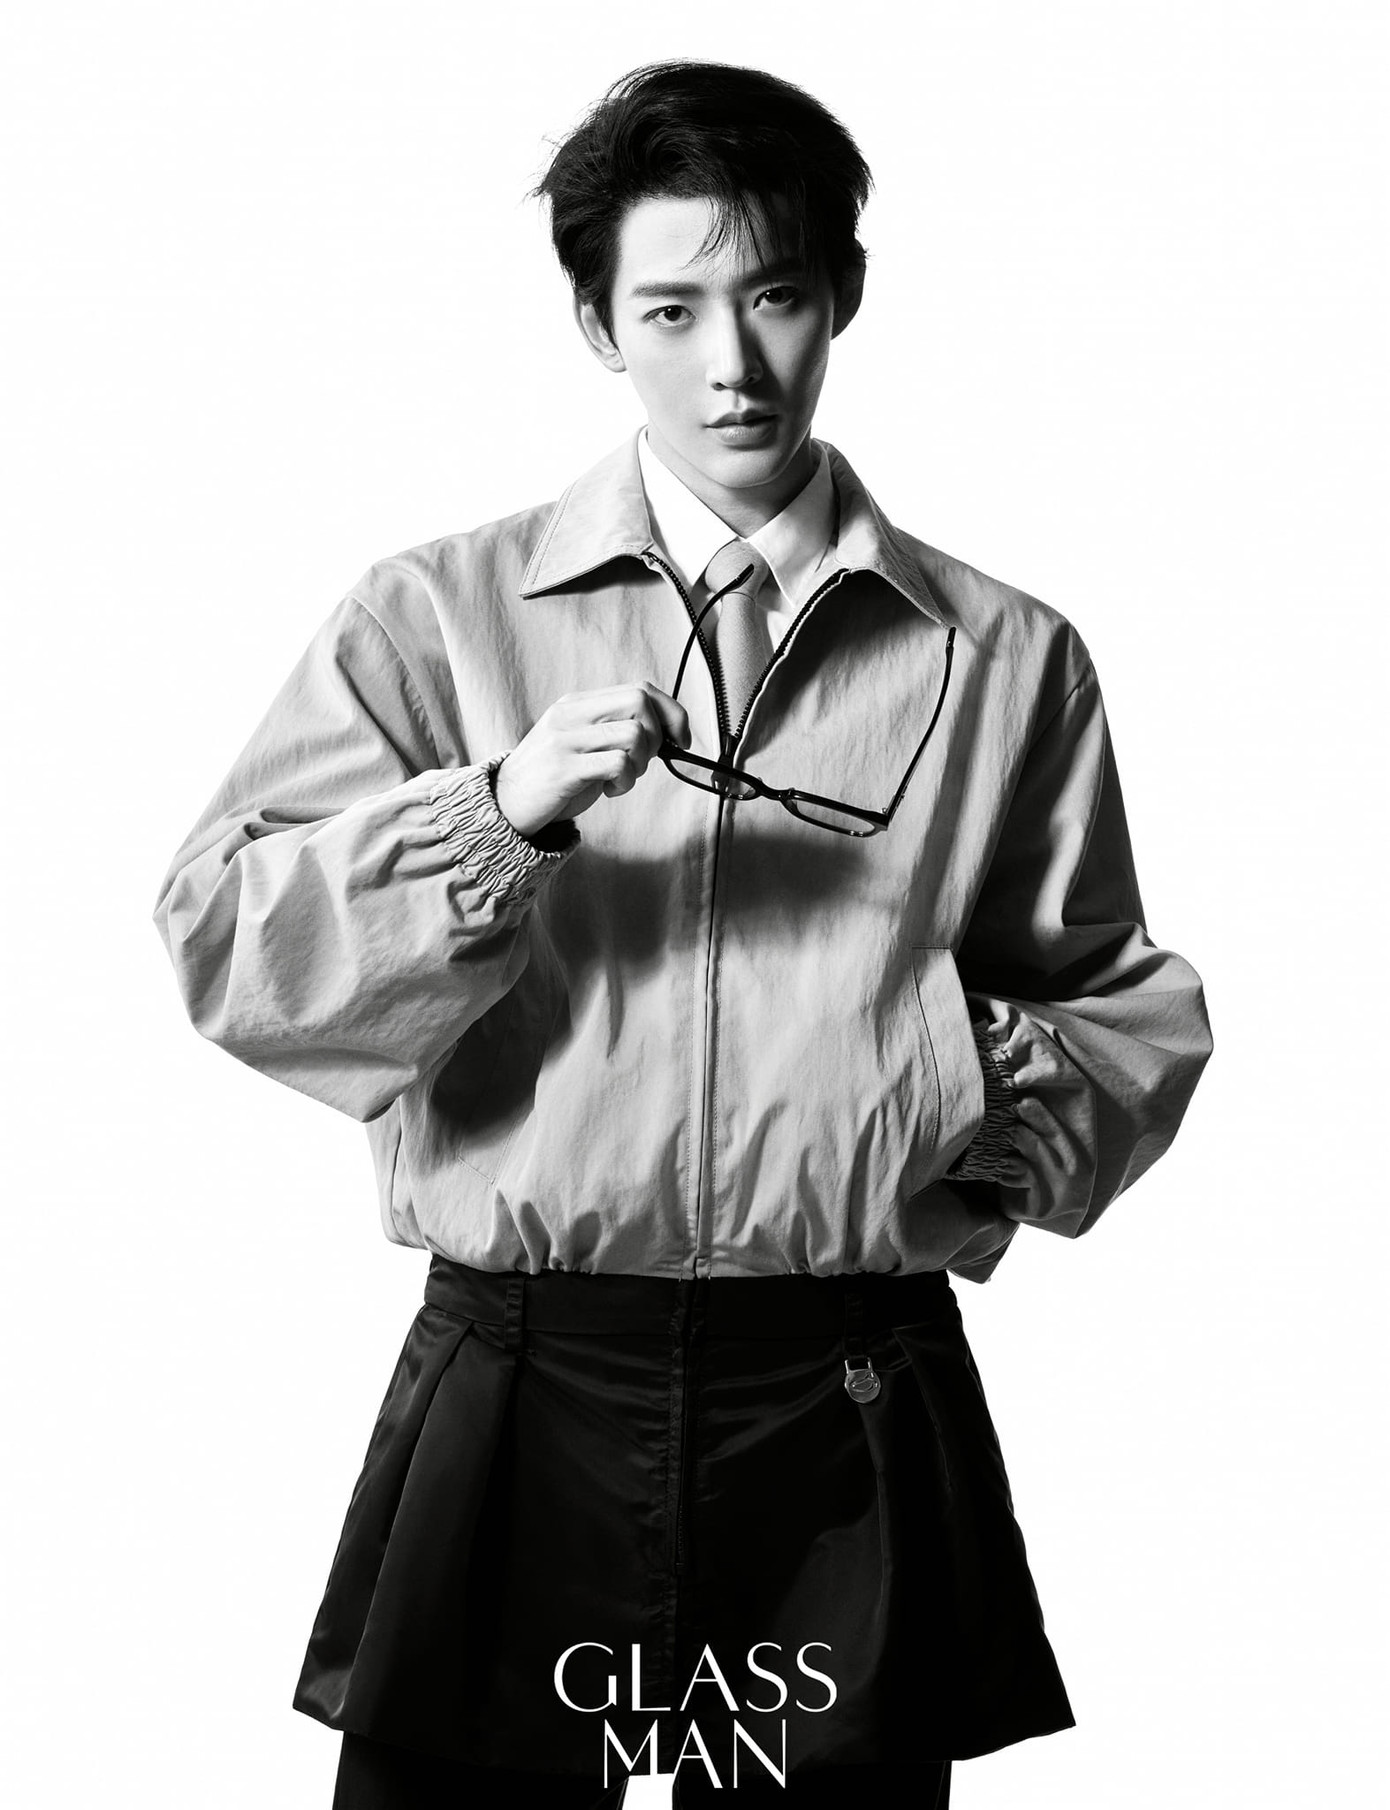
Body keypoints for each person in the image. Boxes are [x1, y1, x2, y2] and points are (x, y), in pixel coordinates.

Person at [153, 59, 1212, 1810]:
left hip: (848, 1387)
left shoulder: (1006, 657)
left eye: (774, 296)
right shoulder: (431, 615)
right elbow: (228, 944)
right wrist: (496, 812)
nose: (732, 362)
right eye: (669, 309)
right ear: (598, 326)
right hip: (520, 1368)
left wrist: (938, 1086)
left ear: (841, 295)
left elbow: (1111, 1006)